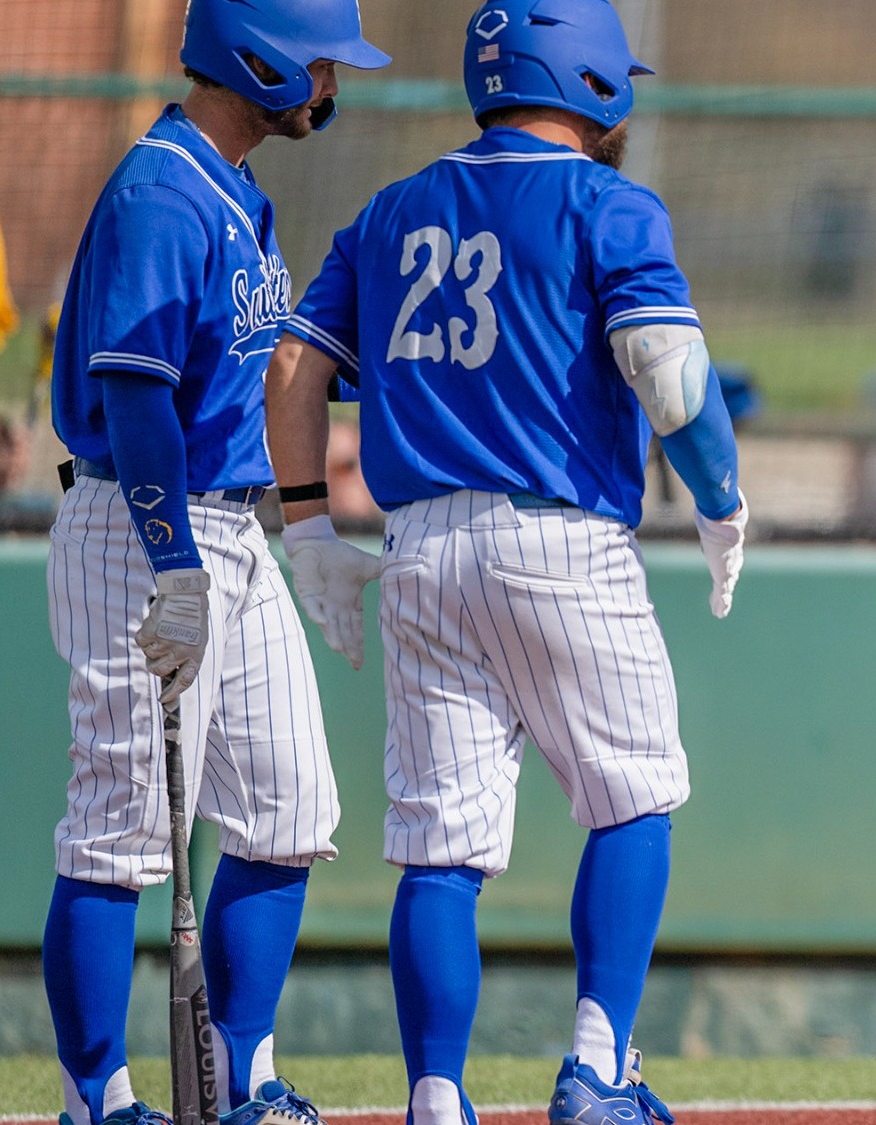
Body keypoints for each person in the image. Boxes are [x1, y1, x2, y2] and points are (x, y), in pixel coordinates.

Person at [265, 3, 745, 1124]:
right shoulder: (606, 201)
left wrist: (308, 532)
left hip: (420, 550)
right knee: (633, 799)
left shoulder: (391, 208)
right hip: (558, 540)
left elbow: (293, 369)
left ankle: (435, 1098)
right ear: (591, 81)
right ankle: (598, 1067)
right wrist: (721, 502)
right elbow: (671, 375)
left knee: (441, 850)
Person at [40, 5, 387, 1125]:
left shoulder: (237, 188)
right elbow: (135, 397)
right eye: (320, 62)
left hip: (235, 530)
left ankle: (243, 1076)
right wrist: (175, 565)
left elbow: (256, 374)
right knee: (120, 822)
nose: (330, 84)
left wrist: (298, 525)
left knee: (290, 808)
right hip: (143, 525)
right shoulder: (161, 192)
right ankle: (97, 1097)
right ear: (260, 57)